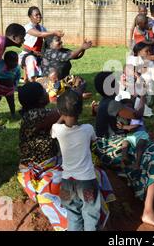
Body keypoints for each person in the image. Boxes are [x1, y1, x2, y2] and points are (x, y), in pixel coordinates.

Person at [17, 83, 114, 231]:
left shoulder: (48, 122)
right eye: (44, 91)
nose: (47, 92)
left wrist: (74, 97)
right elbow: (65, 111)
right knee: (90, 211)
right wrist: (77, 94)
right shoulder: (35, 115)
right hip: (42, 168)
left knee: (73, 212)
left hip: (63, 176)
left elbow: (63, 113)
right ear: (38, 100)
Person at [93, 72, 154, 228]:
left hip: (110, 146)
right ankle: (148, 211)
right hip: (113, 147)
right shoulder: (112, 104)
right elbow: (137, 115)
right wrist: (142, 97)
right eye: (114, 83)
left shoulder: (106, 102)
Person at [51, 90, 103, 231]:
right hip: (86, 182)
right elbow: (94, 140)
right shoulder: (88, 129)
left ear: (59, 111)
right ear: (81, 110)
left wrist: (62, 115)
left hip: (66, 183)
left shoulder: (57, 129)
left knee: (73, 215)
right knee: (90, 214)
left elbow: (54, 129)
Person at [20, 6, 65, 82]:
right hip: (26, 55)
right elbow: (40, 34)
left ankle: (52, 80)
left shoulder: (42, 28)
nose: (39, 16)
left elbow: (48, 40)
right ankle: (32, 82)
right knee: (31, 59)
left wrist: (57, 41)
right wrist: (54, 32)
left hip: (38, 54)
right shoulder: (27, 27)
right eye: (36, 15)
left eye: (39, 14)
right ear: (30, 17)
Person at [116, 98, 150, 171]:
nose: (128, 110)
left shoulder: (136, 116)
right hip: (131, 136)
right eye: (126, 108)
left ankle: (137, 164)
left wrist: (123, 127)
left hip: (141, 135)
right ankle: (124, 158)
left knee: (140, 145)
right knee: (125, 143)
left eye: (130, 108)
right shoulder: (123, 118)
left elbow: (134, 127)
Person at [0, 51, 21, 118]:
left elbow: (18, 76)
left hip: (9, 89)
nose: (15, 63)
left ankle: (13, 114)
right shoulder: (0, 64)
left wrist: (15, 83)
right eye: (12, 61)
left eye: (16, 61)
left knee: (11, 102)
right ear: (5, 61)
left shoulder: (16, 68)